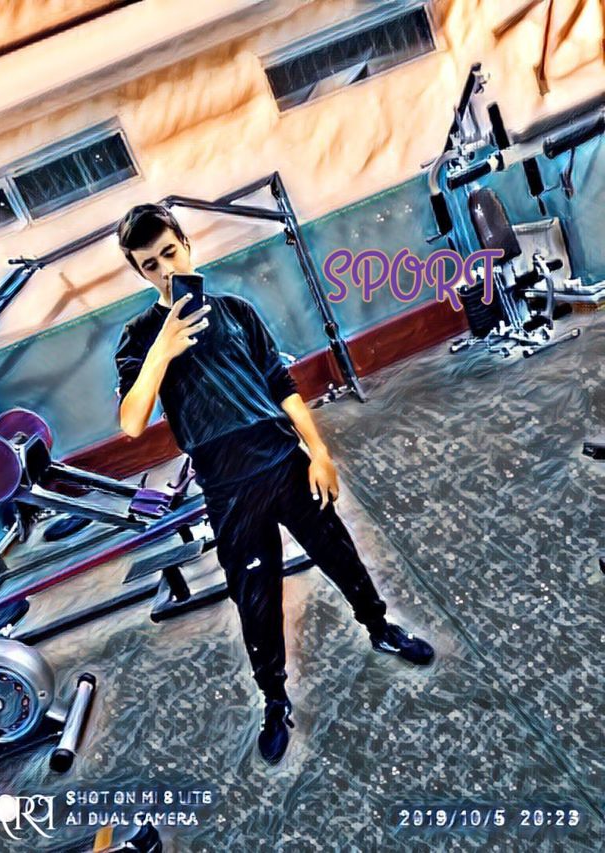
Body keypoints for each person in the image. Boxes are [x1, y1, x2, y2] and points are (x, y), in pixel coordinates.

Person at [114, 204, 435, 765]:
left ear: (186, 245)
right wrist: (162, 350)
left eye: (169, 253)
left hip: (284, 461)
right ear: (138, 272)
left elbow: (281, 385)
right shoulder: (139, 337)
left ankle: (380, 627)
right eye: (150, 265)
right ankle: (275, 700)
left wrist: (320, 452)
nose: (165, 271)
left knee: (340, 555)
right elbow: (131, 422)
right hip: (227, 486)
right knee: (255, 598)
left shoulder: (236, 311)